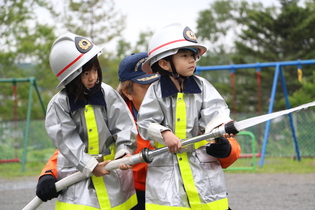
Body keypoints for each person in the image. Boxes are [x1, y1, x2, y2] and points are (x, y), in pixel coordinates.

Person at [36, 51, 240, 210]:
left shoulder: (188, 107)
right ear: (127, 92)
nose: (156, 91)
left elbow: (224, 138)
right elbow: (72, 147)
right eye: (147, 85)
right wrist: (48, 174)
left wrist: (226, 149)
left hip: (194, 192)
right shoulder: (114, 119)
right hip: (143, 197)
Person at [137, 23, 239, 210]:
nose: (192, 60)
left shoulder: (202, 86)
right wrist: (164, 133)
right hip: (166, 171)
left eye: (193, 55)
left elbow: (216, 111)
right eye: (184, 55)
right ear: (164, 63)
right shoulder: (155, 91)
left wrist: (223, 126)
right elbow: (145, 123)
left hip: (201, 169)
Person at [37, 32, 138, 210]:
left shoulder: (107, 94)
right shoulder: (60, 104)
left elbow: (124, 125)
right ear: (70, 76)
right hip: (78, 185)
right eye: (85, 73)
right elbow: (67, 141)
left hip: (113, 177)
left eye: (94, 70)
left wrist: (123, 152)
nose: (92, 77)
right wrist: (90, 165)